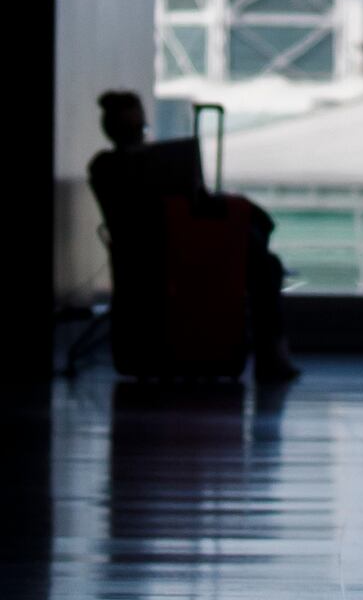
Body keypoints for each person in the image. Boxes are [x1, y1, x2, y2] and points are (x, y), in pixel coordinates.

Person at [88, 89, 296, 384]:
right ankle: (272, 353)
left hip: (180, 242)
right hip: (162, 250)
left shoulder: (113, 167)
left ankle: (271, 351)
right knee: (260, 256)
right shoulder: (110, 167)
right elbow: (143, 217)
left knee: (256, 247)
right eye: (137, 129)